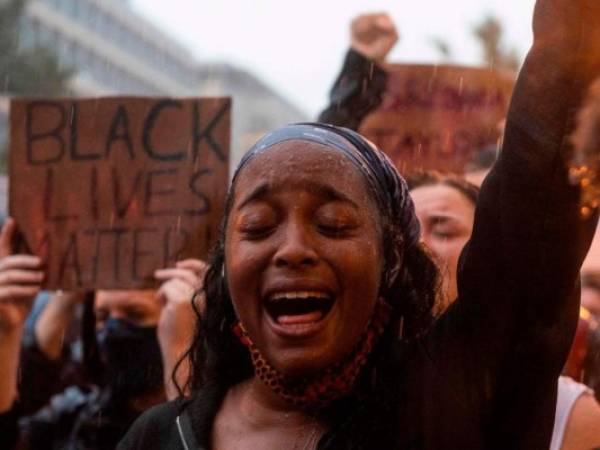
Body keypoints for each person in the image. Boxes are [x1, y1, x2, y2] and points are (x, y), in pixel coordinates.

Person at [118, 1, 600, 448]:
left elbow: (537, 198)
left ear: (390, 259)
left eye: (333, 224)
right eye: (259, 226)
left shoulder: (451, 398)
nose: (292, 249)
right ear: (224, 264)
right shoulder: (159, 435)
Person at [0, 217, 206, 449]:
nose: (112, 329)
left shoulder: (227, 421)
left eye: (134, 314)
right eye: (102, 317)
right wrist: (5, 334)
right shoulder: (79, 416)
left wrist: (183, 368)